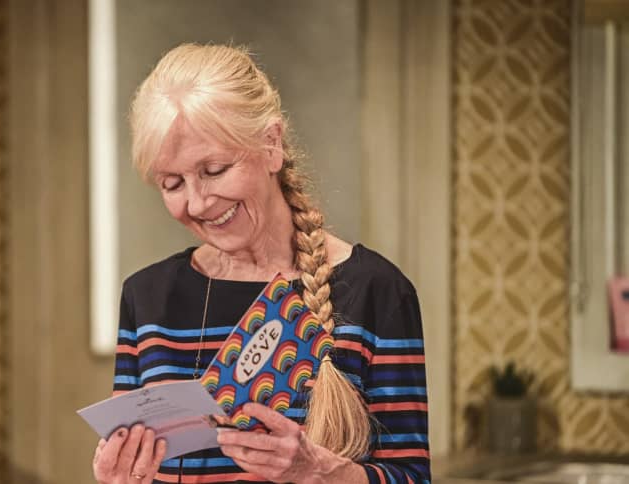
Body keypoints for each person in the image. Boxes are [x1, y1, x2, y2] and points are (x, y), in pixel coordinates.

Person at [92, 43, 430, 484]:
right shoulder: (147, 298)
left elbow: (411, 476)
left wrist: (320, 473)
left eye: (214, 170)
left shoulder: (376, 290)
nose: (197, 203)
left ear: (271, 145)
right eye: (172, 183)